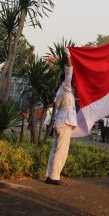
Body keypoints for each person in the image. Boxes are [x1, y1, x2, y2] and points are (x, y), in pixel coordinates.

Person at [45, 52, 77, 186]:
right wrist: (68, 56)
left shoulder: (61, 90)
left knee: (54, 150)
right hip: (65, 122)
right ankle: (54, 177)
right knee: (61, 151)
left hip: (60, 121)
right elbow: (69, 71)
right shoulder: (66, 87)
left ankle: (49, 175)